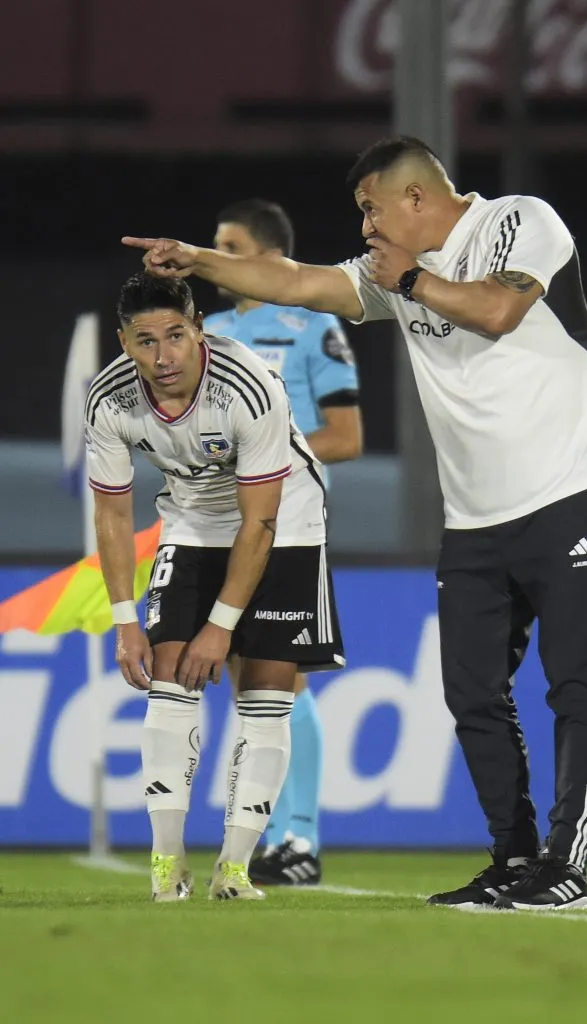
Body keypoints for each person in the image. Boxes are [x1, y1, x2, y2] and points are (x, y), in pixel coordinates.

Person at [123, 135, 587, 912]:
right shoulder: (393, 275)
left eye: (370, 209)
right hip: (474, 515)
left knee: (576, 686)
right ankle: (513, 857)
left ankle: (566, 867)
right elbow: (295, 279)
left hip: (572, 484)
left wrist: (412, 281)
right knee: (470, 689)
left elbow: (498, 308)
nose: (364, 227)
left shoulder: (517, 220)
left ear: (417, 200)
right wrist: (198, 260)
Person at [85, 271, 343, 902]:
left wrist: (219, 628)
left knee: (266, 688)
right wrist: (125, 621)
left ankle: (234, 868)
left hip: (285, 522)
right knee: (168, 676)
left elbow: (260, 520)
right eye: (145, 341)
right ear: (124, 343)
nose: (163, 355)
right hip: (192, 520)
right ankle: (166, 864)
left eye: (177, 334)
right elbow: (113, 515)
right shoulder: (109, 400)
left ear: (200, 329)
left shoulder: (249, 386)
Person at [203, 199, 362, 886]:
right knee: (244, 682)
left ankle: (302, 838)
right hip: (216, 523)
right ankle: (266, 836)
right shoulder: (200, 333)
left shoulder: (309, 324)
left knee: (283, 676)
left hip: (287, 522)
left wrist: (267, 459)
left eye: (229, 245)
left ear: (270, 257)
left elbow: (347, 436)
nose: (216, 257)